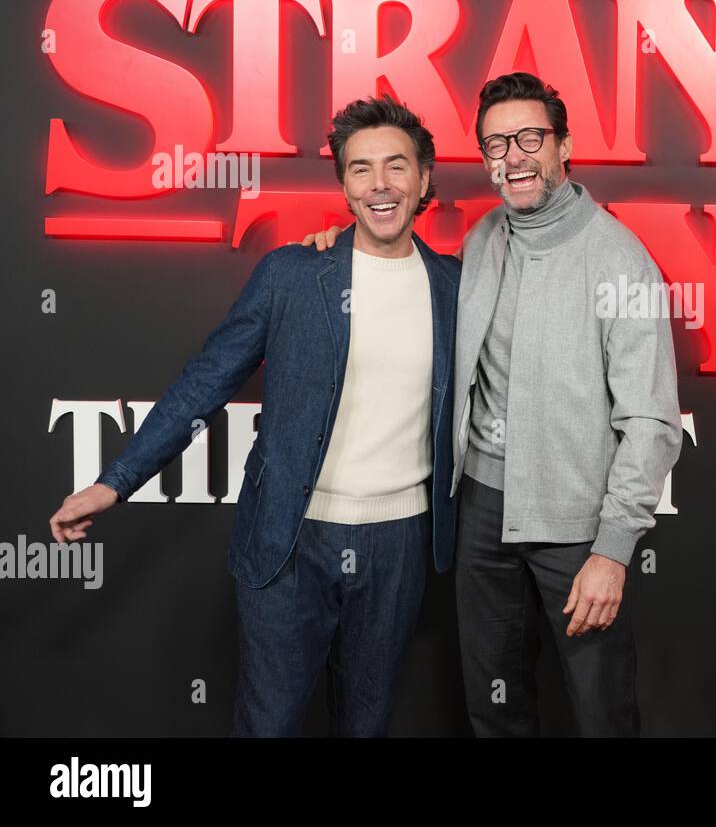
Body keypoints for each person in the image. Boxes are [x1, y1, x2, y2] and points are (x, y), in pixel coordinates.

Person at [50, 95, 460, 736]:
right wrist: (115, 481)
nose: (380, 184)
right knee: (268, 725)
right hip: (288, 540)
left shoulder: (456, 288)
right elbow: (206, 382)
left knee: (368, 724)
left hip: (399, 544)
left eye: (396, 166)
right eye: (360, 169)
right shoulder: (292, 274)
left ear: (425, 178)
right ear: (345, 186)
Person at [304, 72, 682, 736]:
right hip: (481, 510)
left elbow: (651, 422)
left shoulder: (620, 260)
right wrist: (338, 251)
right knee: (495, 709)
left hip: (579, 526)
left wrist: (613, 550)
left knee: (604, 716)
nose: (513, 156)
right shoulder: (484, 239)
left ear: (565, 146)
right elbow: (407, 275)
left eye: (529, 137)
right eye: (495, 144)